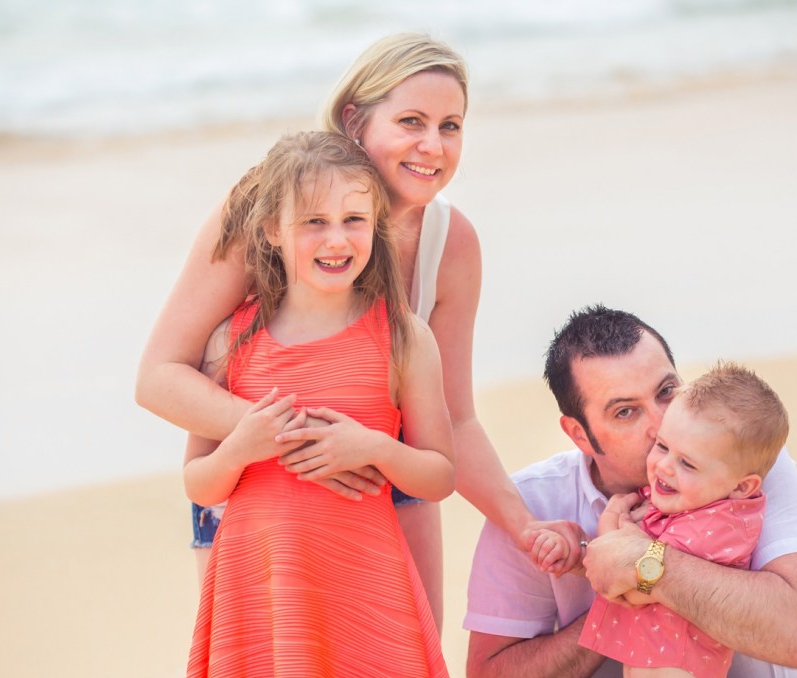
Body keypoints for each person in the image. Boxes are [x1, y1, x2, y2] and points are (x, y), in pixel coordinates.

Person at [135, 31, 578, 628]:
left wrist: (522, 524)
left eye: (451, 126)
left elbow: (455, 418)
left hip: (387, 484)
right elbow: (160, 377)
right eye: (411, 121)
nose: (433, 145)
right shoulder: (264, 207)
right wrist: (293, 438)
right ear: (355, 120)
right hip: (255, 491)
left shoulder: (451, 244)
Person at [171, 131, 468, 678]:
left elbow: (440, 474)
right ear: (272, 232)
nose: (337, 240)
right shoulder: (230, 343)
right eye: (314, 223)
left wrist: (375, 448)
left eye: (353, 220)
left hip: (363, 582)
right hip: (263, 587)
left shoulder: (402, 338)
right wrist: (246, 443)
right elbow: (199, 481)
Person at [464, 305, 797, 678]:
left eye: (667, 392)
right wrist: (610, 594)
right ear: (579, 434)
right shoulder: (534, 507)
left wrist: (646, 565)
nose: (661, 425)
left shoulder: (742, 469)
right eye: (626, 412)